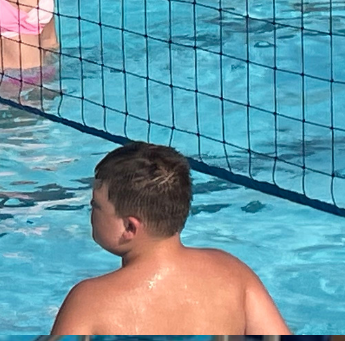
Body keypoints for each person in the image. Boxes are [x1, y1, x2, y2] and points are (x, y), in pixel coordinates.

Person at [50, 141, 291, 335]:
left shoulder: (89, 300)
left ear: (129, 227)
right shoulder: (231, 272)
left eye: (95, 205)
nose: (90, 211)